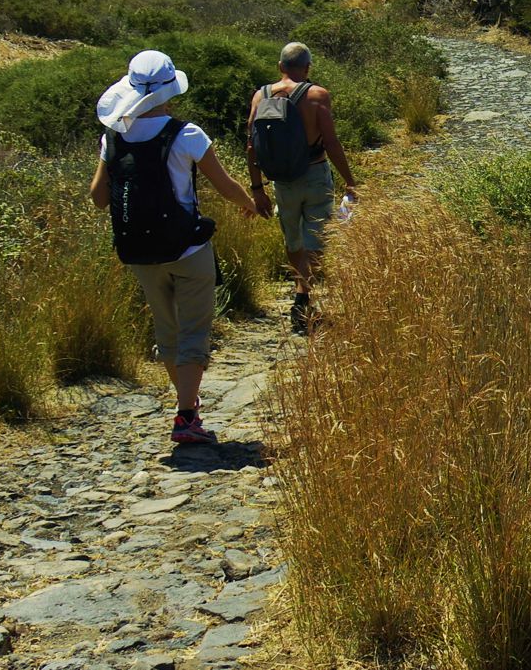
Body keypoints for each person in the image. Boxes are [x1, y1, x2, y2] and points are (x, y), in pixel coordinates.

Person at [92, 50, 260, 446]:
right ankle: (186, 416)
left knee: (167, 333)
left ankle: (189, 406)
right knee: (194, 332)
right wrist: (248, 204)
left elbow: (99, 197)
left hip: (140, 251)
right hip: (187, 248)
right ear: (170, 89)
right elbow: (223, 184)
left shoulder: (113, 136)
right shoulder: (186, 134)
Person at [246, 42, 359, 329]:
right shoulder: (317, 95)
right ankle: (302, 297)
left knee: (293, 239)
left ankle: (301, 291)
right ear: (307, 68)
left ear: (280, 67)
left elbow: (251, 146)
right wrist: (349, 180)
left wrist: (256, 188)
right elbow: (331, 142)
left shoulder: (260, 96)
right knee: (316, 239)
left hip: (281, 181)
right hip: (314, 174)